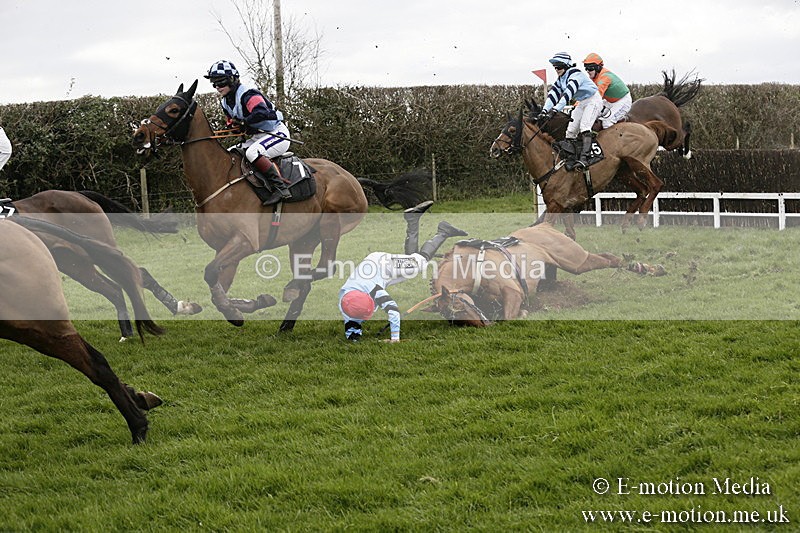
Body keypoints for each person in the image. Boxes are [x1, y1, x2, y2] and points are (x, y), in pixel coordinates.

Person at [338, 201, 468, 342]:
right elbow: (352, 323)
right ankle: (414, 219)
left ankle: (443, 231)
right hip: (376, 272)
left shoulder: (374, 291)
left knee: (420, 263)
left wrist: (395, 338)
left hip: (382, 264)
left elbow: (393, 311)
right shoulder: (346, 303)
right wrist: (354, 339)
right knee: (412, 268)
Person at [204, 59, 292, 205]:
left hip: (277, 134)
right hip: (259, 136)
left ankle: (281, 189)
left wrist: (244, 122)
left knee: (253, 153)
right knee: (230, 152)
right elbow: (233, 123)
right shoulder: (225, 102)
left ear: (232, 80)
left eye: (220, 83)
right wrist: (235, 127)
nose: (217, 87)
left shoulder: (248, 94)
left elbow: (261, 112)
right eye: (214, 84)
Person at [539, 52, 603, 169]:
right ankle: (573, 157)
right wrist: (544, 111)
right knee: (571, 131)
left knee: (584, 126)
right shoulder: (561, 79)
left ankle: (585, 158)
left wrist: (554, 110)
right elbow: (552, 95)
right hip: (582, 102)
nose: (556, 69)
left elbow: (567, 94)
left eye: (559, 67)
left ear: (566, 66)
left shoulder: (575, 75)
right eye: (555, 67)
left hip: (593, 100)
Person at [582, 53, 631, 130]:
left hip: (622, 101)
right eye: (586, 68)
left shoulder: (605, 77)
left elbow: (597, 94)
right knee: (591, 115)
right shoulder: (594, 78)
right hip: (609, 101)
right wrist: (577, 105)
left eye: (590, 69)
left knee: (607, 123)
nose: (587, 71)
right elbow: (586, 95)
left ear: (598, 68)